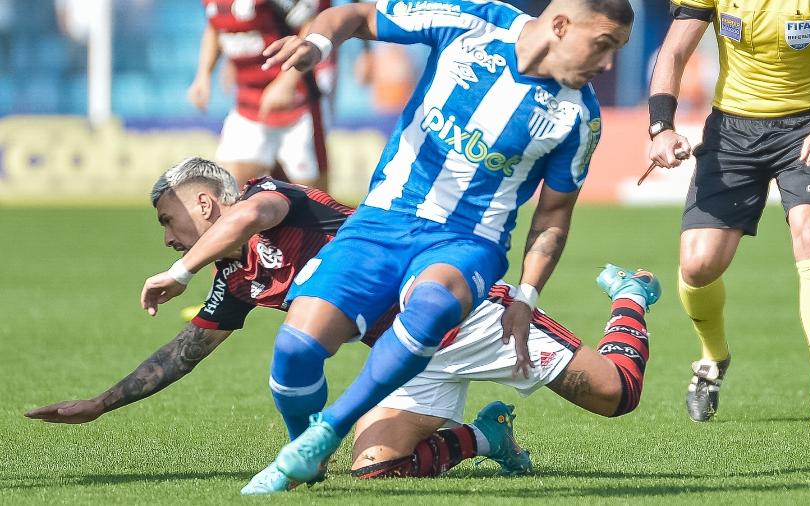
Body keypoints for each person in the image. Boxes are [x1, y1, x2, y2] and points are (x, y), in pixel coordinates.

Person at [25, 159, 659, 488]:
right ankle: (489, 439)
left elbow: (250, 216)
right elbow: (186, 352)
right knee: (377, 470)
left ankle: (630, 295)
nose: (167, 238)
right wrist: (101, 404)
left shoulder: (268, 200)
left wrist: (182, 270)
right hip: (402, 357)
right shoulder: (238, 281)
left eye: (168, 220)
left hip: (463, 315)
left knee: (617, 394)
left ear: (205, 204)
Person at [222, 0, 633, 491]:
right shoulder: (474, 22)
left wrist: (526, 296)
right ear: (561, 26)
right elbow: (357, 14)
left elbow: (553, 215)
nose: (607, 64)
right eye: (604, 45)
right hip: (381, 222)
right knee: (296, 348)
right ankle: (304, 452)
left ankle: (325, 432)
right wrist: (317, 42)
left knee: (435, 303)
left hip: (468, 242)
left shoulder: (577, 118)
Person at [647, 0, 810, 427]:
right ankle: (712, 360)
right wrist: (661, 127)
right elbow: (674, 51)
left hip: (808, 127)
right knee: (697, 267)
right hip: (732, 132)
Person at [187, 0, 333, 188]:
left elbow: (311, 25)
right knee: (229, 186)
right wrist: (203, 75)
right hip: (247, 104)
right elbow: (214, 27)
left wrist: (286, 82)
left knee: (312, 198)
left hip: (295, 106)